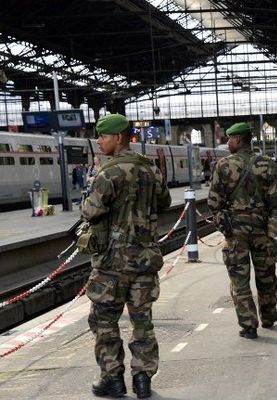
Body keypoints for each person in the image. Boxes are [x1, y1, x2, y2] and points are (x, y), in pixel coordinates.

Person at [81, 113, 171, 399]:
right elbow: (165, 202)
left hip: (112, 265)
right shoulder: (150, 170)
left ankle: (113, 380)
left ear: (118, 137)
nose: (99, 141)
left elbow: (90, 211)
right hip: (145, 261)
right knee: (142, 321)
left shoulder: (107, 174)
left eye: (103, 136)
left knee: (104, 321)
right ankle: (143, 380)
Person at [208, 122, 277, 339]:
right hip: (263, 230)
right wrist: (272, 227)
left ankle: (248, 325)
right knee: (267, 276)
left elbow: (214, 202)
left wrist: (225, 226)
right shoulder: (268, 164)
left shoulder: (223, 165)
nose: (228, 143)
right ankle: (268, 315)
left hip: (235, 233)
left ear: (238, 140)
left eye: (230, 139)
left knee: (239, 280)